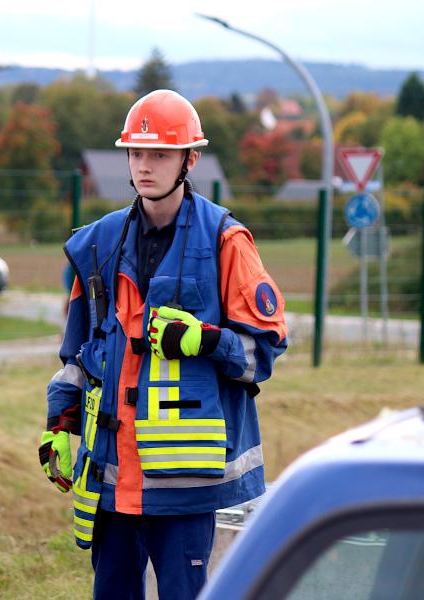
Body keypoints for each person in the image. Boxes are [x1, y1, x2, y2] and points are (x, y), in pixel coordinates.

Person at [39, 90, 288, 600]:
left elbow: (263, 352)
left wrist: (203, 340)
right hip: (109, 477)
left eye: (160, 154)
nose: (145, 166)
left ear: (189, 160)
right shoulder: (98, 245)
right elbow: (77, 354)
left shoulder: (225, 241)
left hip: (182, 485)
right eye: (136, 154)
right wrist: (59, 424)